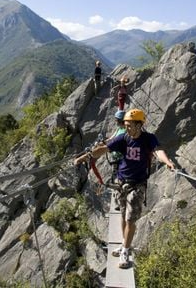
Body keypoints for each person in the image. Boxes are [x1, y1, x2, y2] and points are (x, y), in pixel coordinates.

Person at [74, 108, 175, 269]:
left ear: (139, 124)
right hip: (121, 183)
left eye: (129, 125)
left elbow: (158, 151)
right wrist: (84, 158)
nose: (126, 127)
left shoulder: (149, 139)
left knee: (130, 219)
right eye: (126, 124)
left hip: (138, 184)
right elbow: (103, 149)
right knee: (122, 215)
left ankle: (126, 251)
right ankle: (123, 244)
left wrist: (167, 162)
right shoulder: (123, 138)